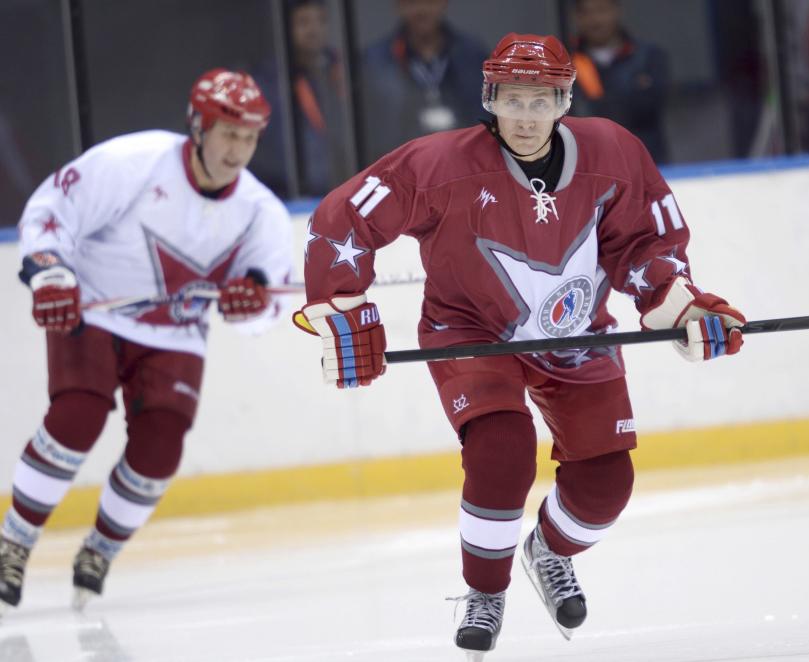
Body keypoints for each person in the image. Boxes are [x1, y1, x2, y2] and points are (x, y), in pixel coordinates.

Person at [294, 33, 746, 656]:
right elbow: (344, 218)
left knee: (607, 485)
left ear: (565, 101)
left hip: (575, 330)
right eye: (513, 99)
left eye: (541, 100)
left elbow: (644, 247)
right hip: (471, 330)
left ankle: (547, 552)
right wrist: (343, 311)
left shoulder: (614, 153)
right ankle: (485, 592)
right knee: (501, 452)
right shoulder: (440, 164)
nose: (526, 117)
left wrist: (682, 305)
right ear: (490, 99)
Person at [0, 69, 293, 615]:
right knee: (78, 415)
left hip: (173, 332)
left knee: (160, 449)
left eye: (250, 137)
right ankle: (13, 543)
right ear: (198, 127)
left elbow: (269, 307)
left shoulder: (261, 212)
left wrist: (252, 306)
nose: (239, 150)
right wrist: (50, 275)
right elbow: (50, 211)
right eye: (229, 133)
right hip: (92, 306)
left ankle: (100, 551)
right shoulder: (132, 163)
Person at [360, 0, 488, 161]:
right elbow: (374, 130)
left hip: (464, 162)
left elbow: (484, 117)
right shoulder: (375, 60)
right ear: (398, 6)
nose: (422, 10)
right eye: (412, 3)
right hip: (401, 167)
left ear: (444, 3)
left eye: (429, 2)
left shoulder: (472, 53)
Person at [254, 0, 349, 197]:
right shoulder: (271, 80)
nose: (313, 30)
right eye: (303, 22)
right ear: (286, 27)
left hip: (346, 183)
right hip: (296, 192)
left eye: (320, 21)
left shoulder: (343, 69)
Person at [569, 0, 671, 163]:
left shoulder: (649, 57)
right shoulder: (565, 62)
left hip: (646, 163)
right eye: (586, 12)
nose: (595, 19)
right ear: (576, 17)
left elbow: (651, 107)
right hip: (590, 166)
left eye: (602, 10)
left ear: (617, 10)